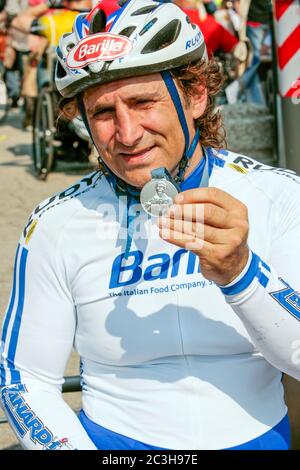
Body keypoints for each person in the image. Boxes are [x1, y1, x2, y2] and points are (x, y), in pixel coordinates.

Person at [1, 0, 300, 451]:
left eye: (143, 102)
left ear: (195, 96)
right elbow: (24, 379)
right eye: (103, 113)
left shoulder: (278, 195)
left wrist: (241, 273)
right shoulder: (56, 222)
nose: (127, 133)